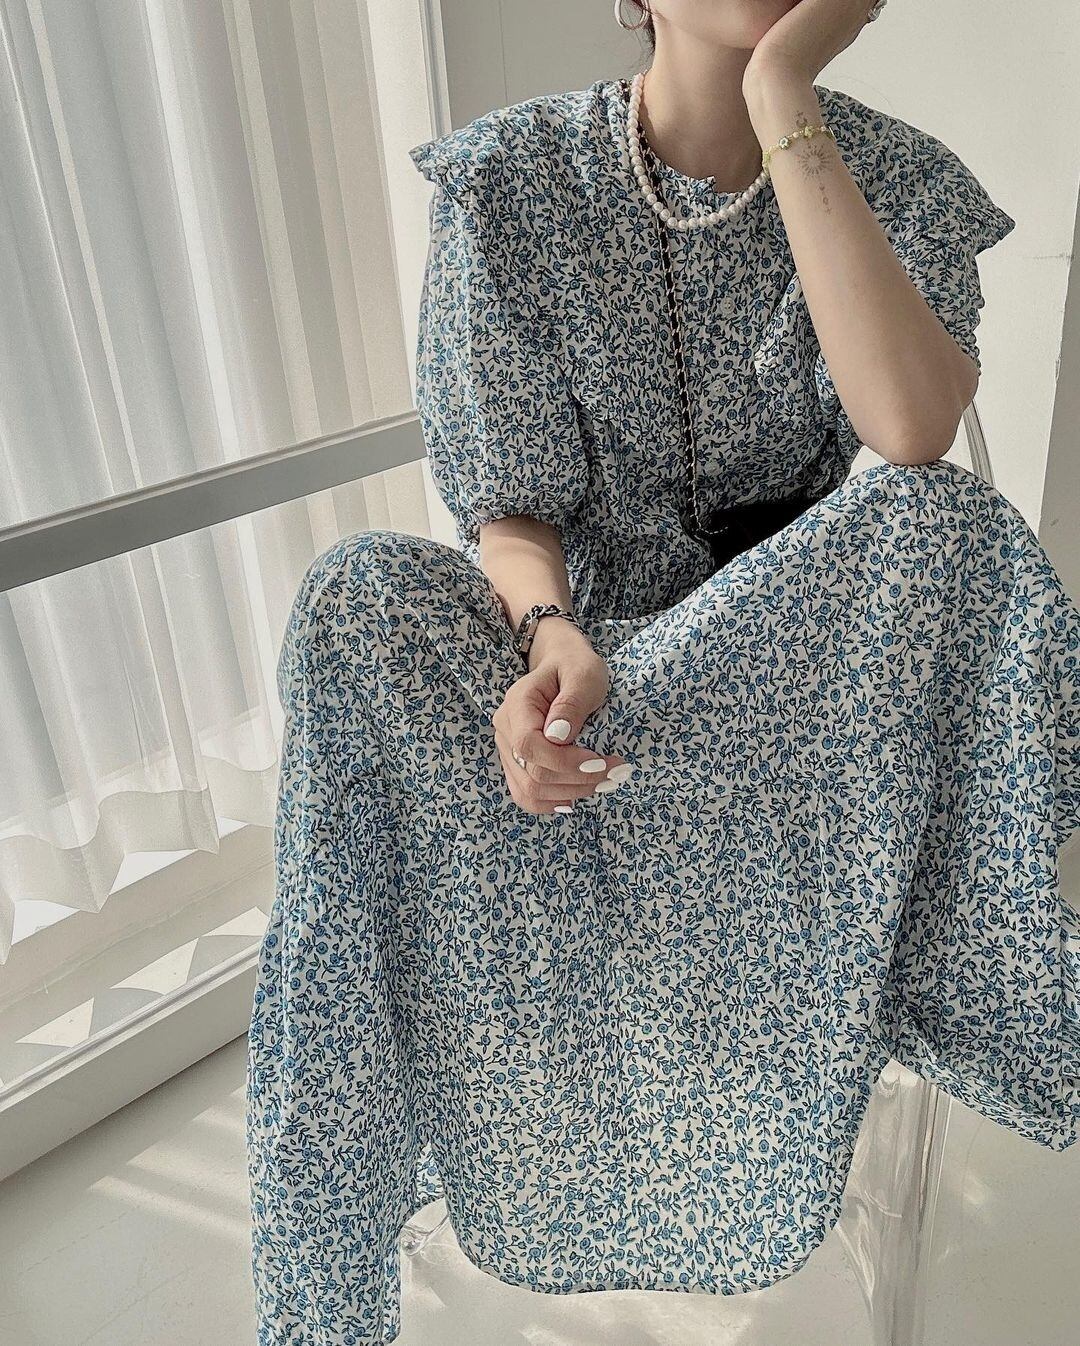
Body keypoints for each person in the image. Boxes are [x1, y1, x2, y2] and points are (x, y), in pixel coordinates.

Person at [247, 3, 1080, 1342]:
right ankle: (334, 1258)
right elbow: (508, 509)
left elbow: (913, 430)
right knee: (357, 595)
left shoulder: (904, 182)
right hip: (569, 661)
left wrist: (782, 87)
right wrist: (548, 634)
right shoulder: (509, 179)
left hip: (788, 689)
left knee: (940, 522)